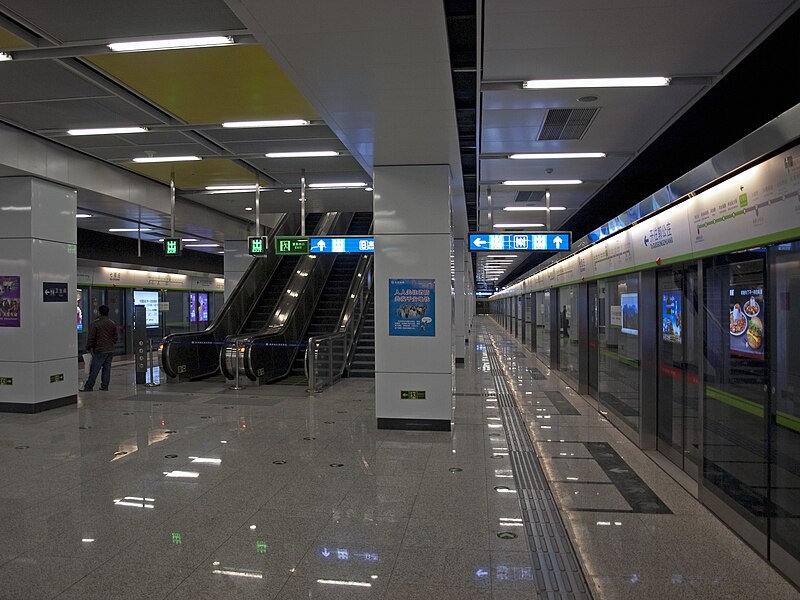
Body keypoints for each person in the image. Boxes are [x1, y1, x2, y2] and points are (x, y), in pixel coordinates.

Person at [82, 305, 118, 391]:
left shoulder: (95, 324)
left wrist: (88, 347)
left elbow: (91, 338)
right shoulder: (112, 323)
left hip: (100, 350)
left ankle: (89, 386)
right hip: (110, 349)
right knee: (107, 368)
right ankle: (105, 386)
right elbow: (116, 337)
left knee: (95, 369)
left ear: (99, 312)